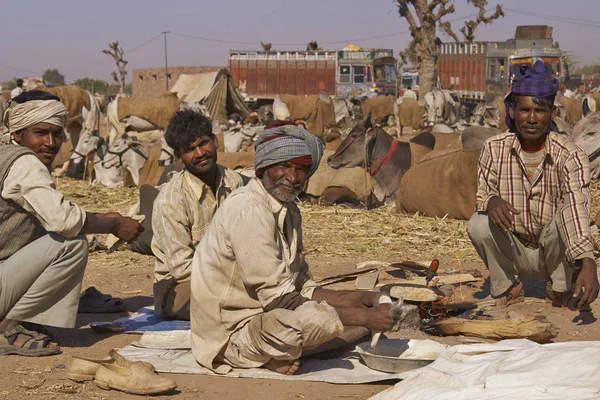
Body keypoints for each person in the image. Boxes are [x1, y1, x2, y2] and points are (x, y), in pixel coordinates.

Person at [190, 122, 402, 375]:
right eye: (284, 166)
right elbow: (280, 299)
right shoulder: (249, 209)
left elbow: (302, 286)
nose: (292, 177)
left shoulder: (289, 210)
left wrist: (361, 299)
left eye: (301, 169)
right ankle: (261, 355)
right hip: (231, 332)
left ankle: (285, 352)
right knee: (323, 319)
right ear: (264, 167)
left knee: (345, 315)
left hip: (266, 313)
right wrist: (365, 318)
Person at [0, 90, 143, 356]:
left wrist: (105, 218)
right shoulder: (24, 163)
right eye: (41, 133)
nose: (51, 142)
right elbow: (63, 220)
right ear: (18, 134)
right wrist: (113, 225)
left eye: (57, 133)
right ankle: (9, 328)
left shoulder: (5, 155)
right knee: (72, 243)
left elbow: (56, 212)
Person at [467, 60, 600, 309]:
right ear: (512, 111)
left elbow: (576, 206)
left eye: (539, 111)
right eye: (525, 110)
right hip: (514, 248)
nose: (531, 118)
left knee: (565, 214)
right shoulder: (493, 148)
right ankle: (508, 286)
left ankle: (558, 286)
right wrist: (492, 200)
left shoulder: (570, 155)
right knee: (478, 223)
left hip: (554, 253)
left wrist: (588, 260)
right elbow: (483, 194)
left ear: (552, 114)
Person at [151, 110, 246, 320]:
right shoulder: (171, 200)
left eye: (203, 143)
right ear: (178, 157)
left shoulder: (234, 182)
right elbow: (183, 269)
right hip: (182, 289)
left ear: (215, 141)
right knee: (245, 303)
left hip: (231, 275)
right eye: (190, 149)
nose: (200, 153)